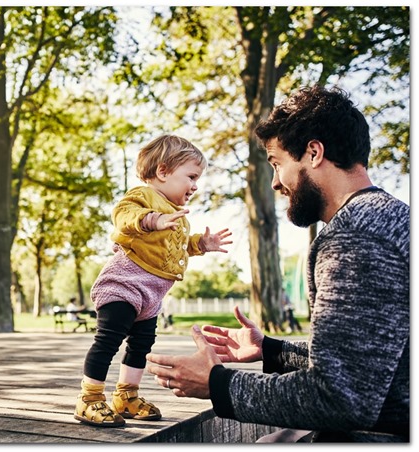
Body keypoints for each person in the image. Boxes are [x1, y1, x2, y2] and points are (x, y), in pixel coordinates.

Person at [145, 85, 409, 442]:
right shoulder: (386, 218)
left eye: (277, 163)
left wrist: (217, 383)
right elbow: (367, 362)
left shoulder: (355, 239)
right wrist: (272, 351)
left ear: (314, 152)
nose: (274, 182)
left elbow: (340, 398)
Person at [73, 134, 233, 428]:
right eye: (191, 177)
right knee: (109, 340)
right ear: (162, 171)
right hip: (123, 285)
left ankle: (126, 396)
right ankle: (89, 398)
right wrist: (151, 220)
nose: (195, 185)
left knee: (141, 345)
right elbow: (124, 215)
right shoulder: (144, 197)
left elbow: (177, 245)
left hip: (150, 295)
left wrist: (201, 243)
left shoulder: (177, 216)